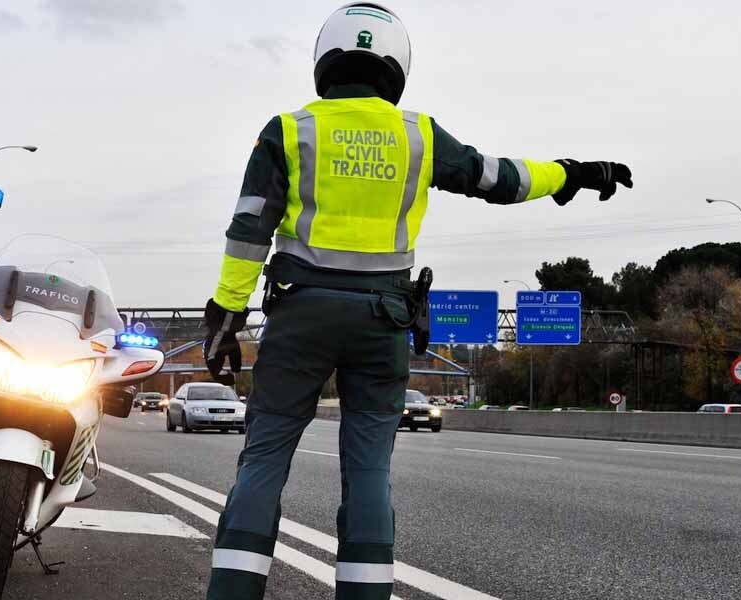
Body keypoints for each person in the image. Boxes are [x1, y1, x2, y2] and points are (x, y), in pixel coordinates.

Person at [202, 3, 633, 599]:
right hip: (383, 322)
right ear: (396, 65)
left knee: (265, 457)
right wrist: (571, 174)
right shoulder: (418, 135)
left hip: (300, 315)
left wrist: (226, 316)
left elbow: (249, 228)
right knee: (368, 471)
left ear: (325, 59)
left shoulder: (288, 130)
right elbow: (498, 177)